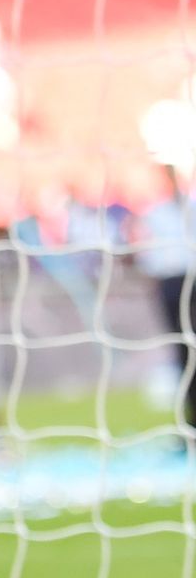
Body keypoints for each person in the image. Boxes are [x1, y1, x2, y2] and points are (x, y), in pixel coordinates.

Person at [133, 165, 196, 427]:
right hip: (171, 283)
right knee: (182, 350)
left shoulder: (192, 207)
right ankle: (191, 419)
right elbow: (147, 253)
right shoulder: (154, 214)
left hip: (193, 279)